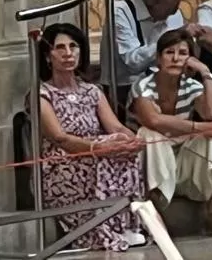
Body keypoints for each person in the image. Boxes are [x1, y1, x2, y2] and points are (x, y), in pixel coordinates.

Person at [36, 22, 145, 251]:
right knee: (106, 152)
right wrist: (96, 148)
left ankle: (124, 224)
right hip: (64, 164)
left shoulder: (92, 91)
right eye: (60, 48)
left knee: (124, 148)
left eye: (73, 46)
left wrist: (131, 138)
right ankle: (102, 229)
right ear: (48, 56)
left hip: (99, 155)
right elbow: (60, 138)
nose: (68, 53)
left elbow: (115, 126)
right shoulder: (42, 94)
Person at [129, 28, 212, 236]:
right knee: (149, 134)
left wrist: (206, 72)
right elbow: (154, 120)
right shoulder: (142, 86)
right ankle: (155, 212)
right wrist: (199, 127)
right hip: (154, 163)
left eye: (183, 53)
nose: (176, 59)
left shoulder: (191, 85)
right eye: (169, 52)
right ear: (159, 58)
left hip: (183, 163)